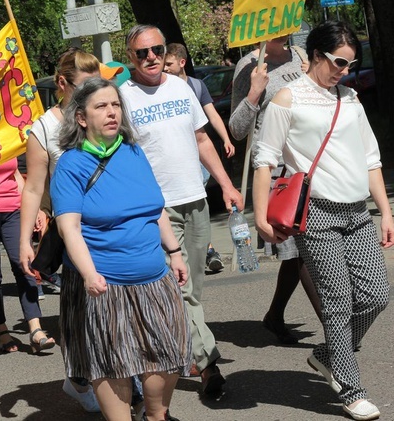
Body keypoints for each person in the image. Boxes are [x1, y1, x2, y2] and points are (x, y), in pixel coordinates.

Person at [253, 21, 391, 421]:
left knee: (376, 296)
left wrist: (385, 211)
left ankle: (328, 355)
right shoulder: (286, 98)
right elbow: (265, 161)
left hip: (357, 212)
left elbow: (371, 159)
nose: (344, 71)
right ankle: (351, 389)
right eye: (338, 62)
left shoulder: (349, 99)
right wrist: (261, 217)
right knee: (336, 303)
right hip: (316, 215)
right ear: (315, 55)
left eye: (350, 63)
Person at [51, 77, 190, 421]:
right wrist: (89, 274)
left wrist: (174, 252)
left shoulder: (133, 151)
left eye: (115, 105)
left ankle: (155, 415)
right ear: (81, 118)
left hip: (154, 277)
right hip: (104, 284)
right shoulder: (71, 164)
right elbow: (68, 227)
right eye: (101, 106)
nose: (112, 112)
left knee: (168, 353)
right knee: (112, 362)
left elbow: (154, 207)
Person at [120, 24, 243, 398]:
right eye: (143, 53)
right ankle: (209, 366)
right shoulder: (123, 97)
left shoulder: (182, 87)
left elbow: (201, 138)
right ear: (131, 58)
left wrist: (225, 184)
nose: (152, 57)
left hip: (195, 199)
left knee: (193, 291)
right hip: (156, 210)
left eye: (156, 49)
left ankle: (182, 348)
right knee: (183, 288)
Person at [19, 47, 121, 412]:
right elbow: (33, 187)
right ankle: (82, 378)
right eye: (83, 86)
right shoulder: (44, 129)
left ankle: (122, 378)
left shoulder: (102, 117)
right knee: (84, 313)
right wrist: (23, 241)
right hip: (74, 233)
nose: (93, 93)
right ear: (62, 84)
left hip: (114, 229)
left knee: (117, 309)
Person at [230, 35, 322, 345]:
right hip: (276, 174)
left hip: (308, 166)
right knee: (301, 251)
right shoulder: (248, 65)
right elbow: (237, 129)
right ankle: (336, 329)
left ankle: (274, 315)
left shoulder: (301, 56)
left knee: (296, 254)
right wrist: (255, 91)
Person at [0, 158, 54, 354]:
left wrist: (34, 210)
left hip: (13, 211)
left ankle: (35, 328)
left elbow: (15, 175)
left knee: (25, 265)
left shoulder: (5, 136)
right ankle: (1, 329)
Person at [164, 42, 236, 272]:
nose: (164, 68)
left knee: (197, 203)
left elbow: (212, 114)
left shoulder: (195, 86)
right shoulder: (162, 89)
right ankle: (206, 250)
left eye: (169, 63)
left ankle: (203, 249)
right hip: (176, 160)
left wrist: (225, 138)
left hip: (198, 158)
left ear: (181, 62)